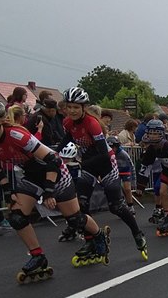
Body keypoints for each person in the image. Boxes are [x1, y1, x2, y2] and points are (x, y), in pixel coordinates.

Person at [0, 100, 109, 280]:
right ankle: (38, 256)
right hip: (31, 175)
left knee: (74, 219)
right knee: (16, 217)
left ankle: (99, 235)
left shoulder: (16, 135)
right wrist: (7, 191)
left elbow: (52, 160)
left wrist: (49, 192)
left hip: (54, 172)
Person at [61, 86, 147, 260]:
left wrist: (81, 163)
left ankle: (138, 233)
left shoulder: (92, 124)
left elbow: (103, 155)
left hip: (106, 164)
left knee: (116, 207)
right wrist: (53, 157)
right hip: (88, 164)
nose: (72, 111)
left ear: (84, 107)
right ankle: (91, 240)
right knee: (81, 206)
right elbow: (64, 143)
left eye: (76, 107)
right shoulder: (68, 123)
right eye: (69, 107)